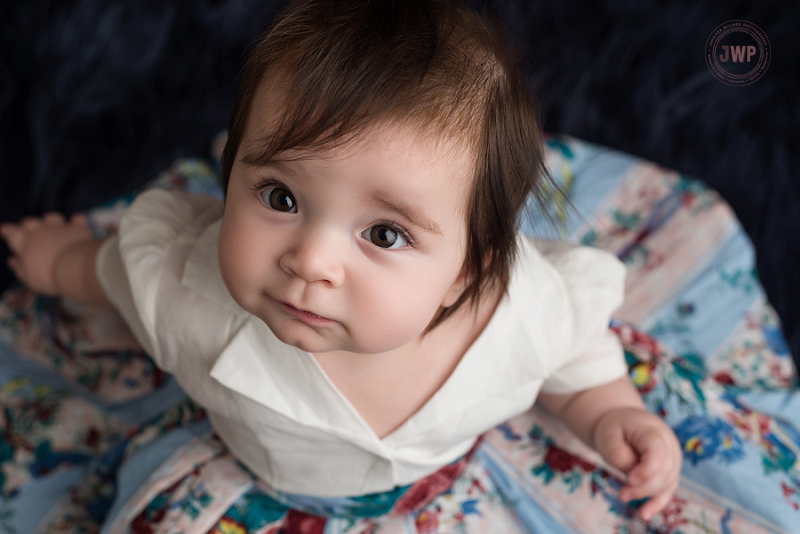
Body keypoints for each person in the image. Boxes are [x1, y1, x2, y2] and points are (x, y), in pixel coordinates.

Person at [0, 0, 681, 528]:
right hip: (248, 496)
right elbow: (112, 271)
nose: (311, 260)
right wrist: (58, 260)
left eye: (384, 234)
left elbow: (577, 345)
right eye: (280, 196)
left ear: (469, 272)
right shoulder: (181, 286)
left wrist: (607, 410)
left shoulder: (520, 310)